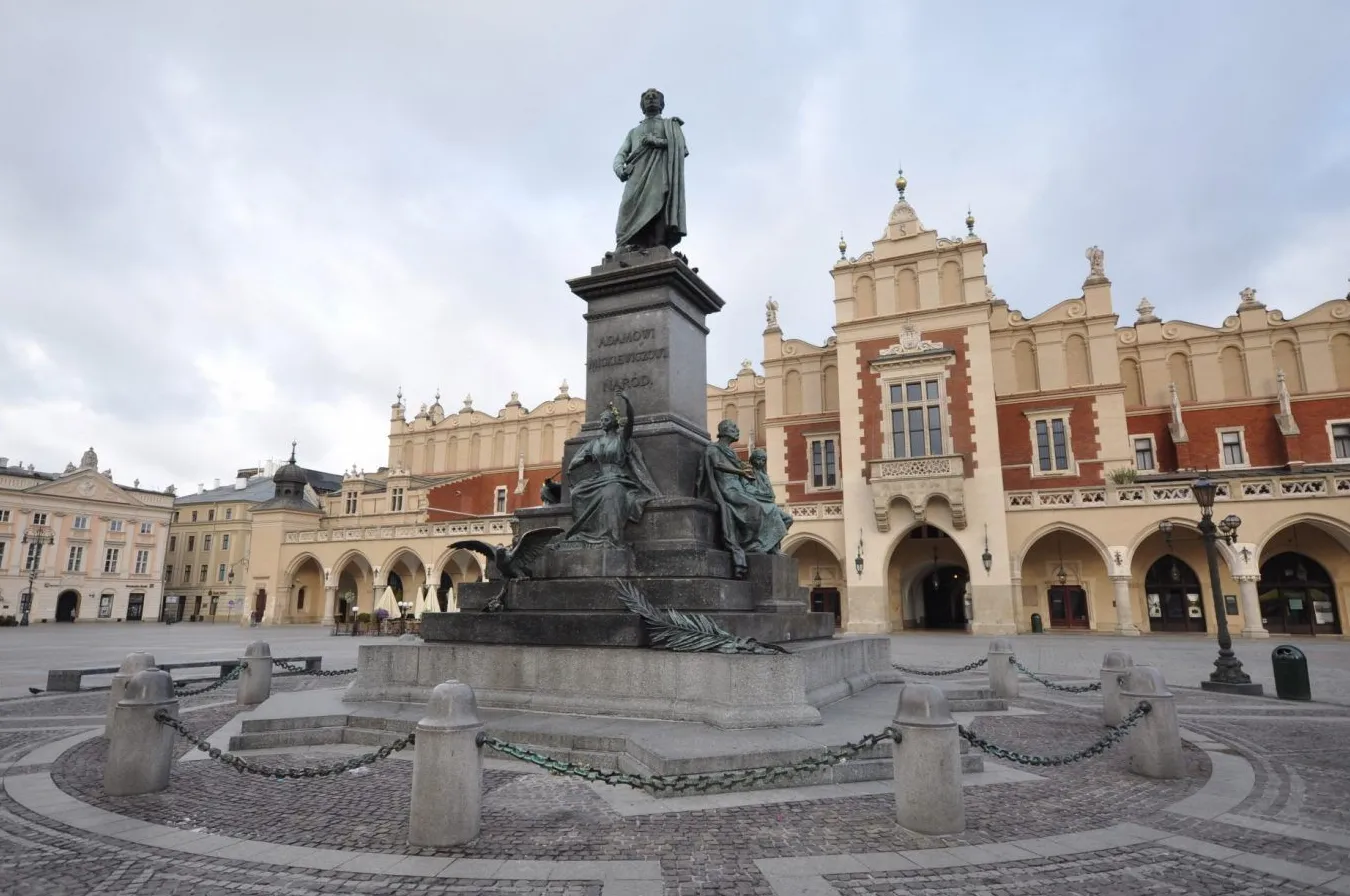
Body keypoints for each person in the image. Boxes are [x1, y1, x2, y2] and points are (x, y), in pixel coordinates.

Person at [561, 391, 660, 547]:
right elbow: (578, 460)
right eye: (601, 420)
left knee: (611, 494)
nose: (602, 422)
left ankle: (609, 537)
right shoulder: (595, 442)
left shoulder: (621, 439)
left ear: (614, 422)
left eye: (606, 420)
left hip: (617, 478)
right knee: (578, 493)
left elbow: (630, 423)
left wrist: (628, 403)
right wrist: (580, 462)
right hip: (599, 478)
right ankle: (585, 533)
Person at [698, 422, 791, 577]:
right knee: (756, 507)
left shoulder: (732, 453)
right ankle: (752, 544)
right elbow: (717, 464)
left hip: (740, 488)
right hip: (728, 489)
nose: (738, 431)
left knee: (773, 509)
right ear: (725, 431)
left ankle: (765, 545)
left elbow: (744, 474)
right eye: (734, 429)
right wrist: (741, 472)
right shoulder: (713, 449)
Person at [613, 88, 689, 251]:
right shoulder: (633, 132)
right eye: (647, 97)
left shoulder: (670, 125)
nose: (651, 99)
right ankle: (626, 243)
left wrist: (655, 141)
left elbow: (681, 148)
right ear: (642, 105)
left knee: (657, 203)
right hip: (636, 175)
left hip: (659, 173)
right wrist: (620, 169)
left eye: (655, 97)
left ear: (662, 104)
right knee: (626, 208)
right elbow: (621, 154)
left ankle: (656, 243)